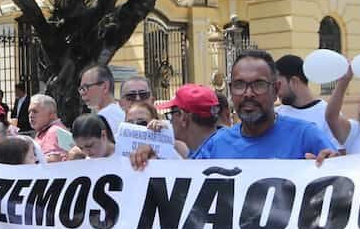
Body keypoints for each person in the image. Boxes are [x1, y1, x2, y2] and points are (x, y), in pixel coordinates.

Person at [132, 51, 336, 165]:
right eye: (239, 85)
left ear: (276, 90)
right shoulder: (216, 146)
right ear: (231, 91)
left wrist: (332, 165)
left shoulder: (306, 135)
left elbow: (344, 188)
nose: (248, 93)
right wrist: (152, 163)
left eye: (258, 84)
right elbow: (184, 190)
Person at [275, 55, 339, 147]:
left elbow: (339, 155)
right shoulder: (276, 115)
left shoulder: (329, 116)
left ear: (294, 81)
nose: (275, 90)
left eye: (278, 84)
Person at [156, 85, 221, 158]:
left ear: (183, 118)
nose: (170, 121)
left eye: (171, 114)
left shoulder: (202, 159)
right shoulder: (225, 145)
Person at [78, 63, 124, 133]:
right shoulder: (122, 111)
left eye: (86, 87)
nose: (82, 93)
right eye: (81, 88)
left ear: (105, 87)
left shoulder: (102, 118)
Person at [28, 94, 74, 162]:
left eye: (35, 111)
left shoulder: (54, 131)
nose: (30, 115)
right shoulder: (49, 130)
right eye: (29, 112)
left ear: (51, 115)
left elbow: (53, 161)